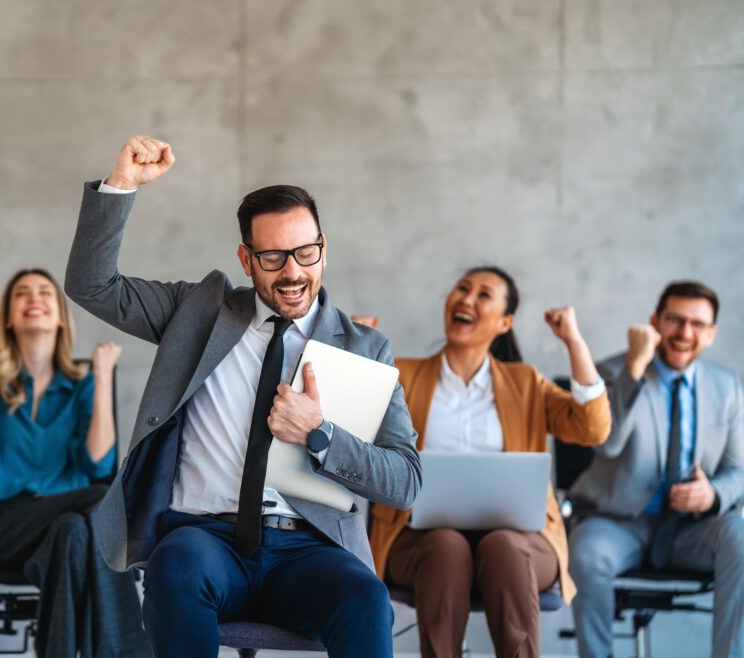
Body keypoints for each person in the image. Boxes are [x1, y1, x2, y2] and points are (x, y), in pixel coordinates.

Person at [64, 135, 422, 658]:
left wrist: (320, 435)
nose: (294, 272)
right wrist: (121, 186)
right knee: (176, 565)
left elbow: (405, 481)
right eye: (273, 258)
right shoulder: (199, 312)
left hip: (309, 549)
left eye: (306, 252)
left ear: (324, 247)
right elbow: (91, 286)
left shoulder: (366, 348)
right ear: (246, 258)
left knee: (366, 597)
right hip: (204, 540)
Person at [364, 266, 612, 658]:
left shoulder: (526, 382)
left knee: (504, 548)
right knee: (446, 547)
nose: (466, 299)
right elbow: (348, 423)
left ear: (504, 322)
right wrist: (357, 351)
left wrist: (573, 341)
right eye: (462, 289)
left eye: (483, 295)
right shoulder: (403, 376)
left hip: (523, 543)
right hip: (418, 539)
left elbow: (592, 428)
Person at [0, 268, 149, 658]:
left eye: (44, 292)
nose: (34, 298)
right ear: (9, 317)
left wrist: (103, 377)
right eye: (21, 294)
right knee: (97, 500)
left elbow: (97, 461)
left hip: (59, 530)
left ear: (60, 316)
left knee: (73, 530)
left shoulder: (81, 384)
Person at [568, 280, 744, 658]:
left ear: (711, 334)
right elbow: (607, 443)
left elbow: (738, 471)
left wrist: (713, 495)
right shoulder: (612, 372)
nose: (684, 333)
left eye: (698, 325)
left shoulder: (727, 386)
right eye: (675, 320)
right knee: (586, 555)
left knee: (742, 534)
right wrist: (635, 366)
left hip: (691, 529)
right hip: (617, 522)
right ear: (654, 322)